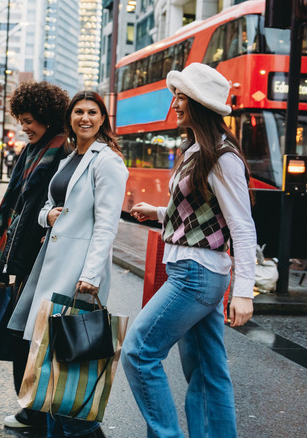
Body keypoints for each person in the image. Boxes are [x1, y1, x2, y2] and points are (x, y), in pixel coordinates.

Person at [121, 63, 257, 438]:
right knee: (208, 372)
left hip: (196, 274)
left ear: (198, 103)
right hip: (199, 272)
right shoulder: (197, 149)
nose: (175, 103)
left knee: (138, 352)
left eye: (181, 96)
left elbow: (242, 226)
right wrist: (159, 212)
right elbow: (204, 213)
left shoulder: (221, 157)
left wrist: (244, 291)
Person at [4, 90, 128, 438]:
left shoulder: (108, 161)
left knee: (68, 356)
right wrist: (49, 216)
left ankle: (85, 428)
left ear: (102, 119)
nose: (84, 118)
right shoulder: (70, 158)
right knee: (49, 355)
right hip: (51, 265)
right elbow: (48, 207)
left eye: (92, 112)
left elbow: (106, 224)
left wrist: (90, 275)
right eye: (78, 112)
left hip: (77, 272)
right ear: (69, 118)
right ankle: (59, 428)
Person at [0, 81, 70, 431]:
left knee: (28, 335)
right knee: (24, 333)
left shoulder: (61, 151)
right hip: (23, 252)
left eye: (29, 119)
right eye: (21, 120)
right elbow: (16, 199)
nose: (25, 127)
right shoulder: (33, 149)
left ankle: (34, 410)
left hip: (43, 254)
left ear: (47, 116)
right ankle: (32, 406)